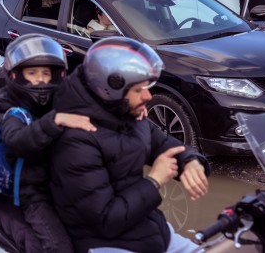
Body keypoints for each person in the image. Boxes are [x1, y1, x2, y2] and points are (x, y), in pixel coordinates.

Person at [50, 37, 210, 253]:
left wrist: (190, 160)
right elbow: (106, 219)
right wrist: (155, 180)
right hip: (105, 243)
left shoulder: (124, 113)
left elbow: (164, 144)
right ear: (110, 90)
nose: (148, 96)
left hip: (150, 229)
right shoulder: (75, 142)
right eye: (139, 90)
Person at [0, 35, 96, 253]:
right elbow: (17, 140)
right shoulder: (15, 114)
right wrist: (54, 121)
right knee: (58, 246)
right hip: (33, 195)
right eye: (32, 73)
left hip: (63, 187)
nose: (40, 80)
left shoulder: (58, 103)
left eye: (46, 73)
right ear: (16, 76)